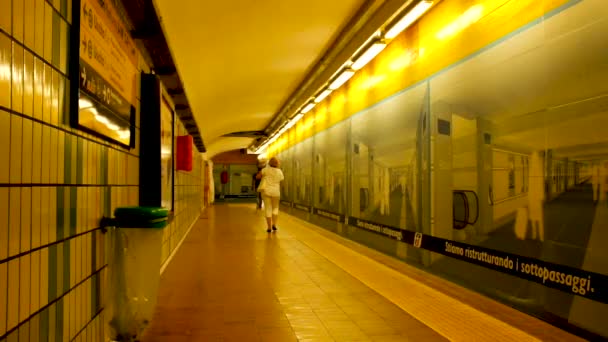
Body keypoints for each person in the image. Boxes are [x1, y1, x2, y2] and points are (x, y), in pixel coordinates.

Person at [256, 157, 284, 233]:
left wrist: (263, 174)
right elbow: (281, 180)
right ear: (277, 163)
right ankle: (274, 224)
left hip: (266, 191)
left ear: (269, 163)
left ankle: (269, 227)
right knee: (275, 208)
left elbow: (257, 177)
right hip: (276, 192)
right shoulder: (279, 171)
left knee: (268, 208)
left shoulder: (265, 170)